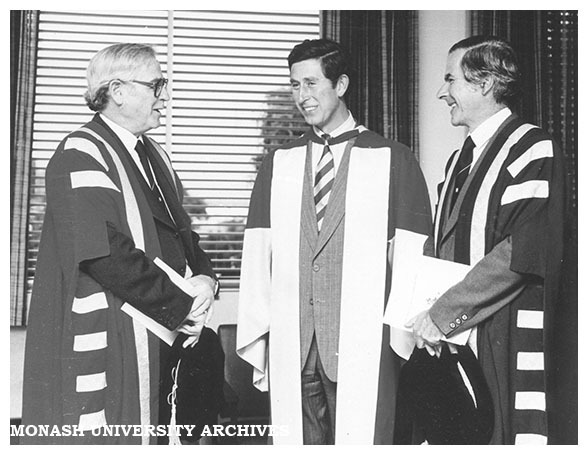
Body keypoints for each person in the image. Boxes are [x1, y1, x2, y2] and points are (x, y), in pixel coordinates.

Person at [236, 38, 432, 444]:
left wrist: (401, 343)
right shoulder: (278, 165)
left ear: (340, 85)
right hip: (295, 345)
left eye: (311, 83)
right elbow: (257, 256)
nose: (301, 96)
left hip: (362, 348)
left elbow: (414, 260)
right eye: (294, 85)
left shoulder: (393, 160)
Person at [21, 43, 218, 444]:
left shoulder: (153, 154)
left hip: (162, 327)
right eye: (156, 83)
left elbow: (183, 233)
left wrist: (206, 279)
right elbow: (105, 254)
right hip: (118, 330)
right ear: (119, 90)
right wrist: (183, 307)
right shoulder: (81, 152)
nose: (164, 95)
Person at [408, 36, 566, 444]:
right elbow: (441, 244)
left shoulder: (532, 148)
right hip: (456, 337)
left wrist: (445, 312)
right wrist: (423, 310)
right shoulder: (461, 159)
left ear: (484, 84)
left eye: (451, 80)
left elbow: (521, 254)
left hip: (505, 332)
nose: (442, 93)